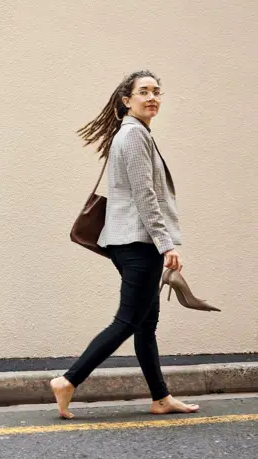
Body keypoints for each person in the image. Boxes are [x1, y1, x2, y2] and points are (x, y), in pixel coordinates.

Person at [50, 70, 200, 419]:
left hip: (133, 242)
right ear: (126, 99)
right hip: (138, 242)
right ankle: (69, 380)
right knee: (127, 321)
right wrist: (166, 244)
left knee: (145, 323)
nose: (151, 97)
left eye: (156, 91)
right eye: (143, 91)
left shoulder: (136, 134)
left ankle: (160, 397)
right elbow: (145, 196)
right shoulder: (133, 136)